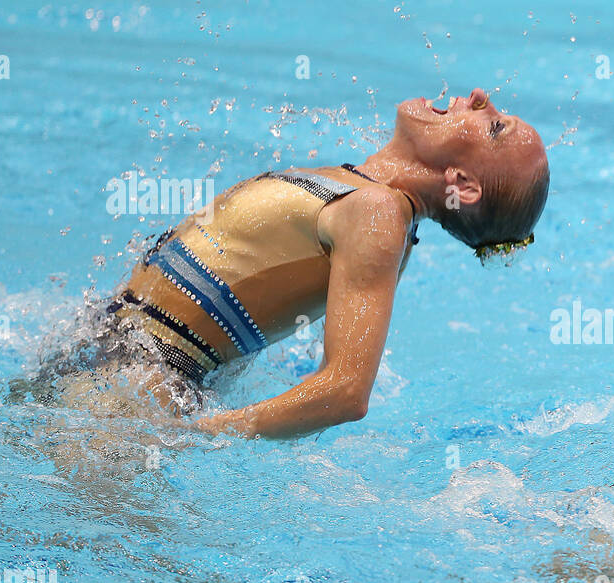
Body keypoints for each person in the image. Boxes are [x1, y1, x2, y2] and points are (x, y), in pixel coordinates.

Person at [27, 87, 549, 439]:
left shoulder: (378, 214)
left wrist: (200, 434)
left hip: (131, 394)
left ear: (462, 185)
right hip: (102, 357)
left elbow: (346, 390)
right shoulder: (362, 195)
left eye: (494, 126)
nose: (479, 97)